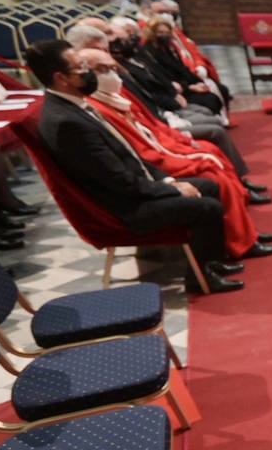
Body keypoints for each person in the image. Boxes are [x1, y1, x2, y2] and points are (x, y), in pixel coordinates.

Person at [26, 40, 242, 293]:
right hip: (123, 208)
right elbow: (117, 180)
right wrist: (172, 190)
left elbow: (129, 157)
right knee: (207, 207)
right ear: (61, 78)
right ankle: (199, 279)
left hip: (133, 188)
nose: (89, 72)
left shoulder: (74, 105)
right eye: (81, 67)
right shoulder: (65, 122)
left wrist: (169, 181)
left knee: (209, 186)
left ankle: (211, 262)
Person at [78, 47, 272, 262]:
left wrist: (183, 145)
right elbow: (139, 150)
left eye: (112, 68)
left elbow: (151, 129)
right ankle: (239, 242)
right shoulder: (99, 108)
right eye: (102, 69)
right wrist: (185, 159)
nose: (112, 74)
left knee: (211, 153)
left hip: (159, 147)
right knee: (213, 175)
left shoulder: (114, 97)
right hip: (150, 169)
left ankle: (246, 235)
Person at [138, 15, 226, 120]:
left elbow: (181, 69)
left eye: (166, 33)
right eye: (160, 33)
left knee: (220, 89)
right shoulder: (149, 53)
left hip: (183, 84)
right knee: (208, 100)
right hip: (175, 90)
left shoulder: (167, 48)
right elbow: (165, 77)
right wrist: (188, 87)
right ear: (153, 33)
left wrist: (197, 82)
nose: (164, 36)